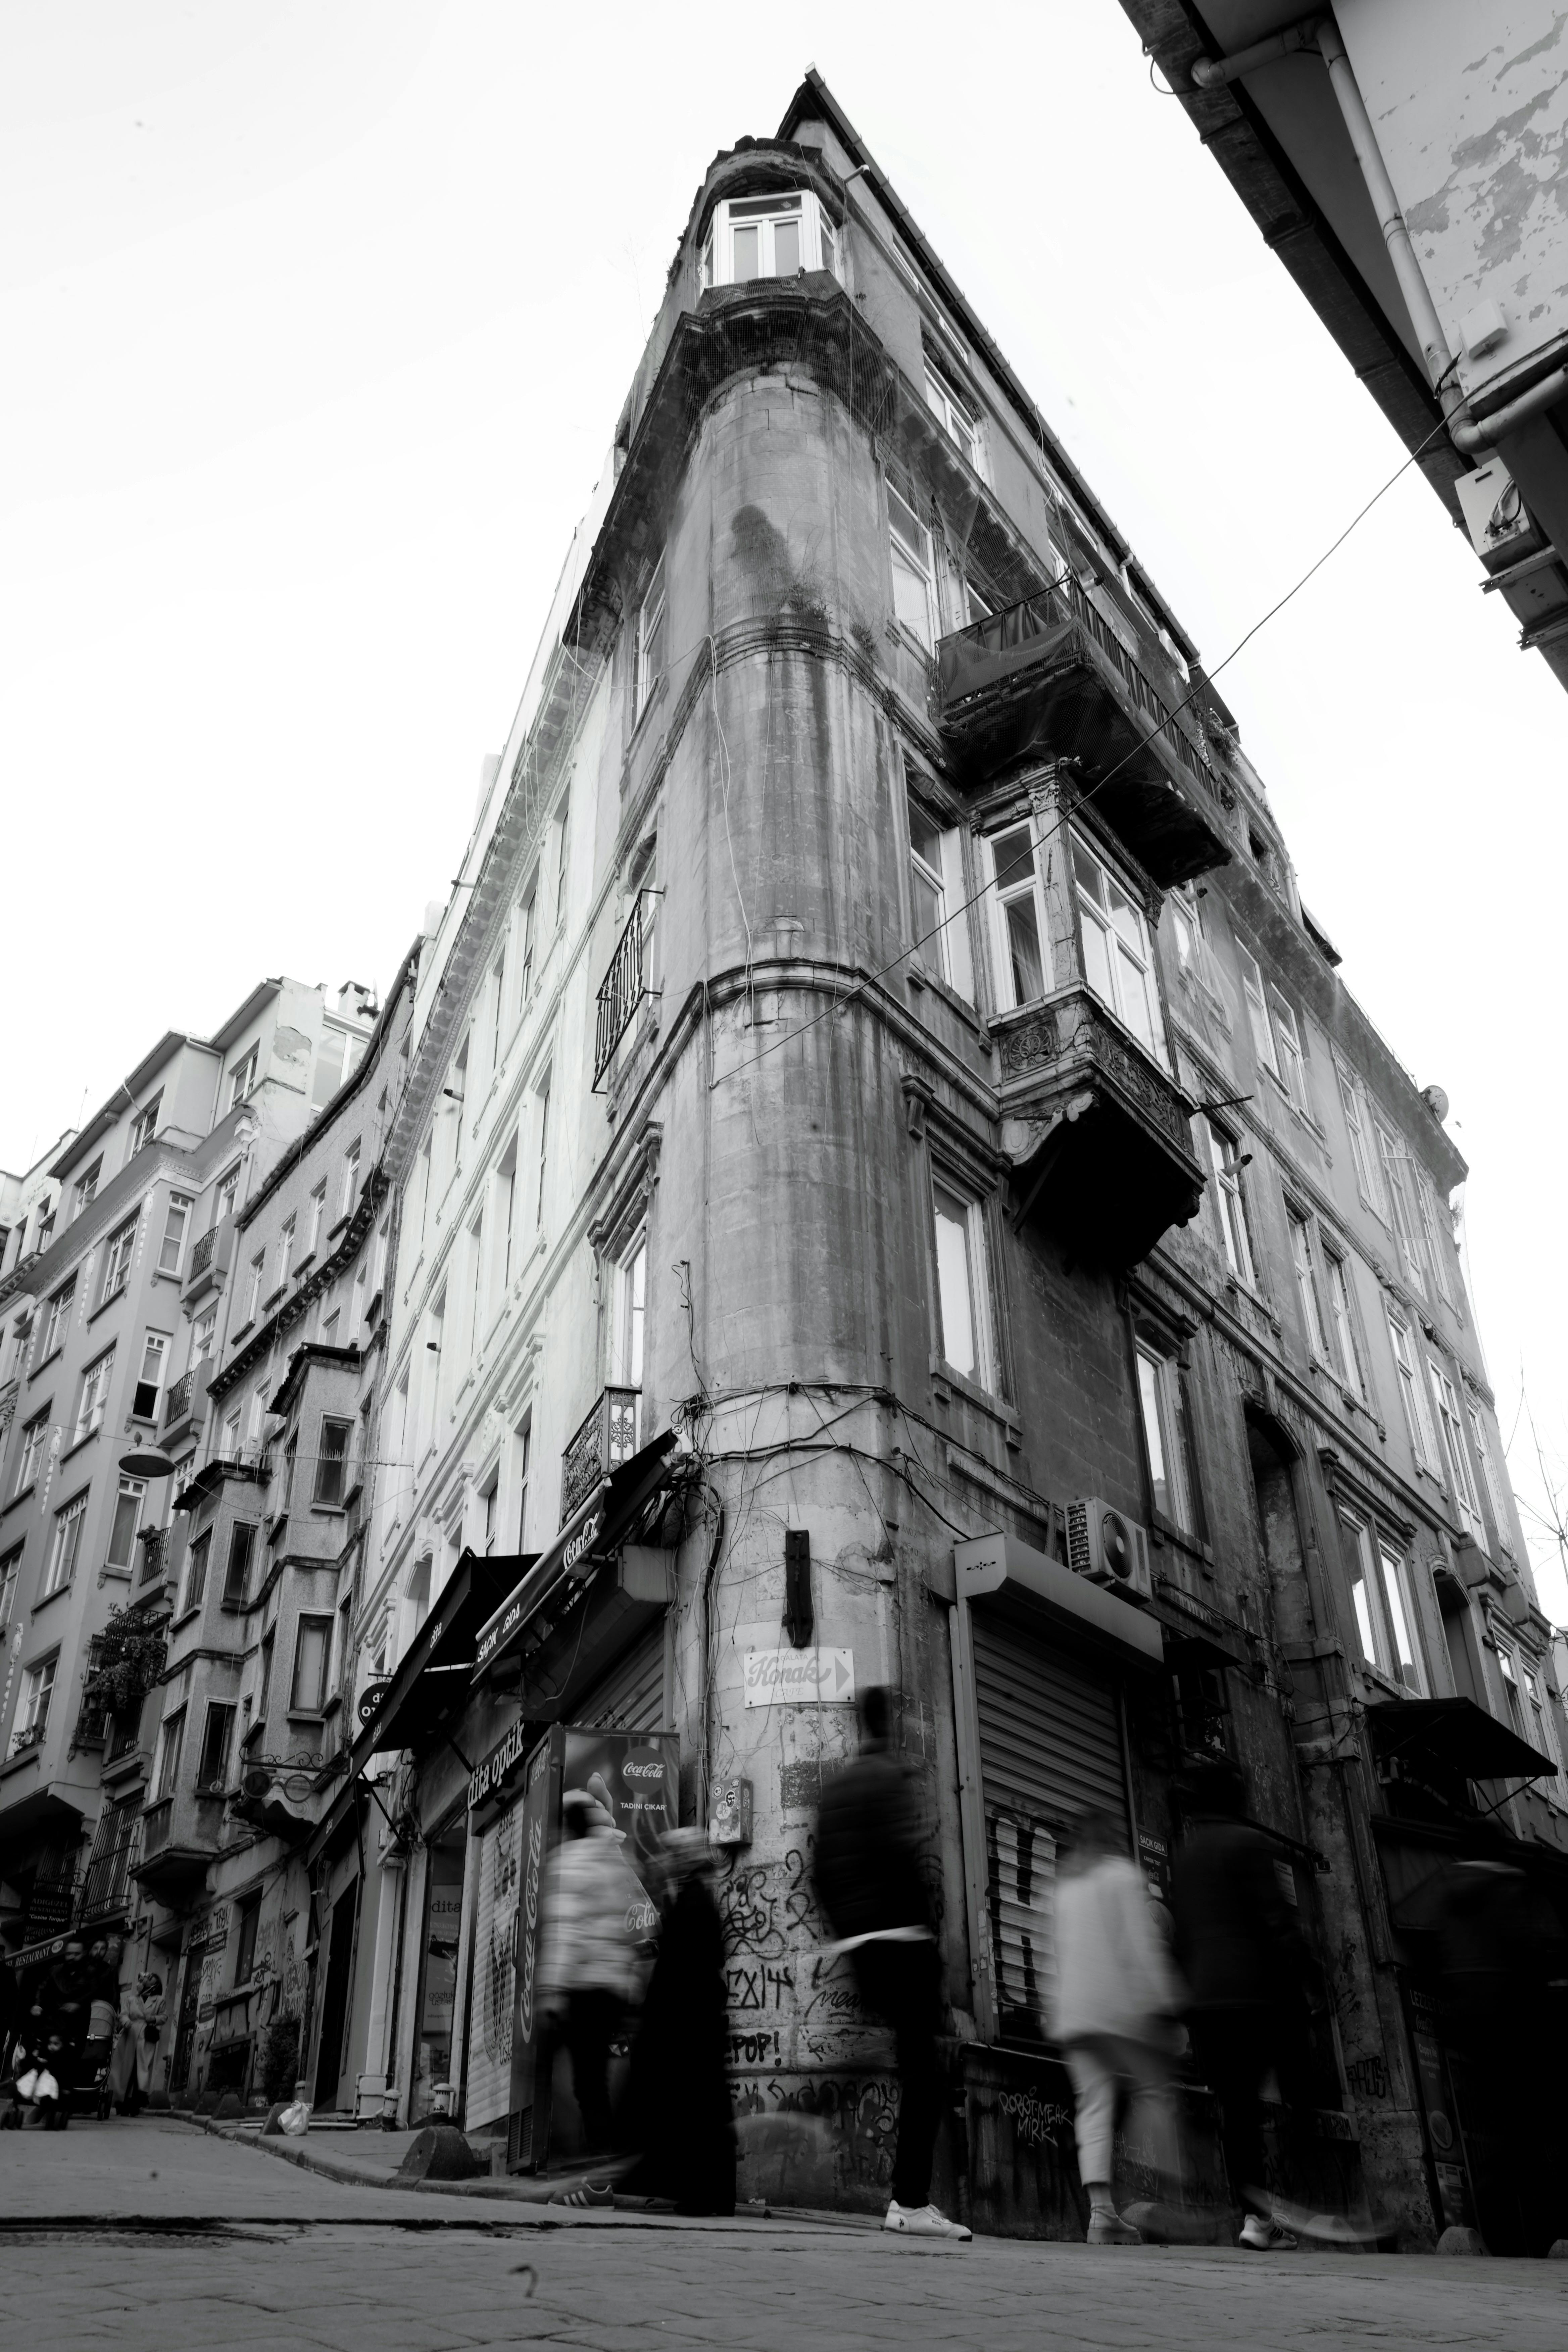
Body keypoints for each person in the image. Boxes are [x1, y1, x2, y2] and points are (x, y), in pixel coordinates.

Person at [813, 1684, 970, 2241]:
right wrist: (930, 1934)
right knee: (924, 2066)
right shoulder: (894, 1776)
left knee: (908, 2054)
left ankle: (831, 2088)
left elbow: (819, 1871)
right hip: (903, 1939)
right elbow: (907, 1858)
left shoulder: (835, 1788)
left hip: (862, 1944)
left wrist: (848, 1932)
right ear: (892, 1721)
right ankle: (910, 2200)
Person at [1168, 1764, 1306, 2251]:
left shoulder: (1184, 1858)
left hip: (1207, 2003)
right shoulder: (1249, 1844)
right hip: (1252, 1995)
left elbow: (1179, 1935)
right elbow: (1276, 1920)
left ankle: (1254, 2217)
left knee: (1237, 2109)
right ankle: (1296, 2199)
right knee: (1294, 2090)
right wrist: (1301, 1975)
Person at [1053, 1808, 1185, 2245]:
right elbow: (1140, 1945)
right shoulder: (1122, 1877)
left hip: (1075, 2013)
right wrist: (1166, 2003)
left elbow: (1056, 1951)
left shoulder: (1065, 1887)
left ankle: (1102, 2212)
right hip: (1117, 2009)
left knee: (1093, 2104)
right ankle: (1167, 2198)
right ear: (1111, 1838)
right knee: (1154, 2091)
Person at [622, 1827, 736, 2215]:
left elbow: (685, 1969)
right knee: (700, 2109)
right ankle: (705, 2192)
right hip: (693, 2023)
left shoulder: (695, 1900)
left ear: (684, 1859)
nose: (664, 1860)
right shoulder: (691, 1896)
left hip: (692, 2025)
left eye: (672, 1854)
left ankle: (710, 2195)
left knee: (699, 2111)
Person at [538, 1789, 641, 2204]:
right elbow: (625, 1929)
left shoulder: (569, 1863)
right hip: (612, 1989)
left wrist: (552, 1991)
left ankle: (594, 2170)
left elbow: (567, 1931)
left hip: (580, 1989)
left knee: (578, 2082)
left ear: (567, 1828)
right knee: (597, 2080)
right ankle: (604, 2164)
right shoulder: (615, 1863)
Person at [108, 1971, 164, 2116]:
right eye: (145, 1978)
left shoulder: (159, 2000)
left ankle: (135, 2104)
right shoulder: (131, 1999)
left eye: (150, 1979)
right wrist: (126, 2022)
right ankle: (121, 2102)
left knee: (141, 2070)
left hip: (146, 2037)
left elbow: (164, 2017)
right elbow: (124, 2014)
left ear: (155, 1985)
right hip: (130, 2034)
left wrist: (152, 2018)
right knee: (126, 2068)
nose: (145, 1981)